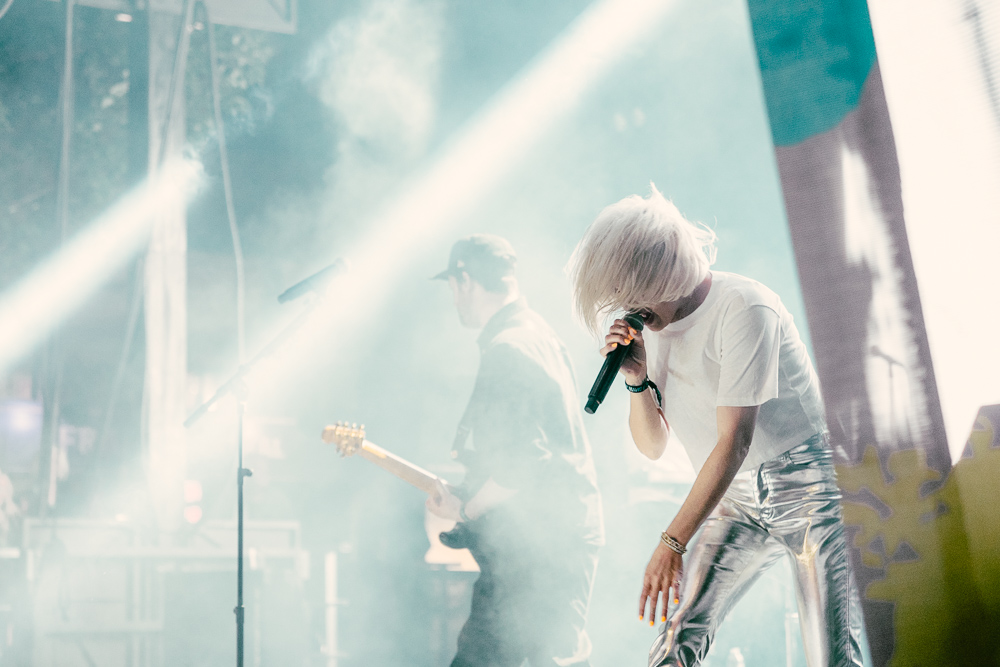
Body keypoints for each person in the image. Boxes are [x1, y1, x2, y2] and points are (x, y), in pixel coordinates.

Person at [567, 188, 862, 667]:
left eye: (631, 290)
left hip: (808, 489)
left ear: (663, 268)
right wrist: (637, 379)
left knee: (831, 656)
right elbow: (652, 446)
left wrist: (672, 541)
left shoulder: (744, 306)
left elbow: (734, 442)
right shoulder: (652, 330)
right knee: (674, 641)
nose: (626, 306)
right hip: (735, 496)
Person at [425, 234, 604, 667]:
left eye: (453, 286)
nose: (454, 298)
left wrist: (466, 510)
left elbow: (523, 463)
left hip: (541, 551)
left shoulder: (508, 348)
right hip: (551, 541)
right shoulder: (537, 333)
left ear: (466, 281)